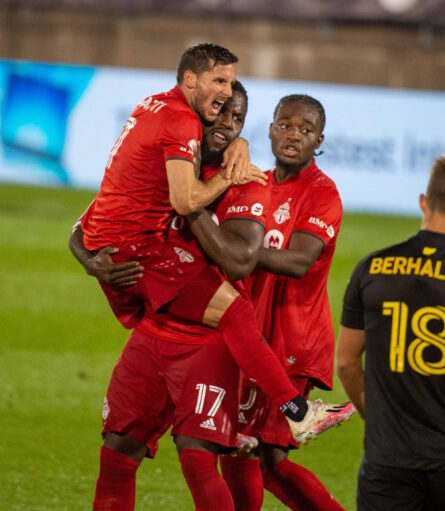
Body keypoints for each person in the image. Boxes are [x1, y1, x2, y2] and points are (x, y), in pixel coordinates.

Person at [72, 54, 348, 509]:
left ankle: (295, 410)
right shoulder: (176, 161)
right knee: (117, 451)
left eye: (237, 117)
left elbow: (239, 262)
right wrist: (91, 262)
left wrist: (196, 199)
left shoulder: (248, 185)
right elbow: (92, 221)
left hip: (209, 344)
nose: (226, 121)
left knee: (208, 458)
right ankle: (295, 412)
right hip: (154, 330)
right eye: (220, 110)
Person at [336, 155, 445, 511]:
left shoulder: (372, 267)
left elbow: (345, 362)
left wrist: (374, 416)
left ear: (423, 202)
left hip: (387, 456)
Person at [221, 94, 354, 511]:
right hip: (255, 337)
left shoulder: (322, 194)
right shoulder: (255, 184)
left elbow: (298, 261)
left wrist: (236, 249)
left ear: (320, 140)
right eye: (285, 124)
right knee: (269, 460)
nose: (294, 134)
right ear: (271, 129)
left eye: (306, 129)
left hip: (292, 342)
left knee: (241, 448)